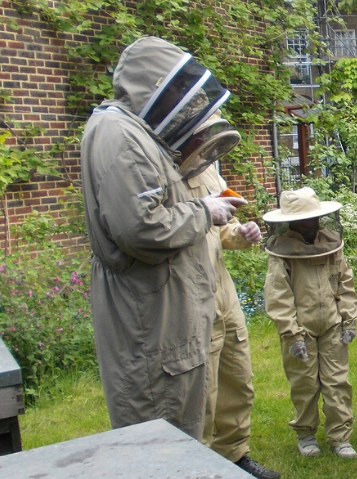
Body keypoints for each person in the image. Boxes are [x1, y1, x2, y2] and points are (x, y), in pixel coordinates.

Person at [81, 36, 245, 440]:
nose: (180, 99)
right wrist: (205, 211)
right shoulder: (120, 136)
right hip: (150, 319)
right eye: (174, 89)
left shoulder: (133, 132)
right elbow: (141, 229)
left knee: (178, 427)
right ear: (151, 86)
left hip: (162, 311)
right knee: (161, 436)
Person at [176, 111, 280, 479]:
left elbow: (225, 229)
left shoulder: (206, 169)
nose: (205, 136)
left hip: (224, 294)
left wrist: (243, 232)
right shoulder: (164, 173)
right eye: (201, 130)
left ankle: (236, 457)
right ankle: (201, 474)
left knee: (239, 380)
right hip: (190, 296)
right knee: (201, 394)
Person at [263, 188, 357, 459]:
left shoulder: (330, 244)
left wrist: (348, 319)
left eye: (314, 218)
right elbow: (278, 295)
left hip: (332, 325)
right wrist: (291, 334)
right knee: (304, 383)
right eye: (305, 219)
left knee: (337, 381)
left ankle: (340, 437)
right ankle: (306, 435)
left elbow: (345, 283)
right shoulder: (281, 253)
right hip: (300, 330)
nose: (311, 224)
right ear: (290, 221)